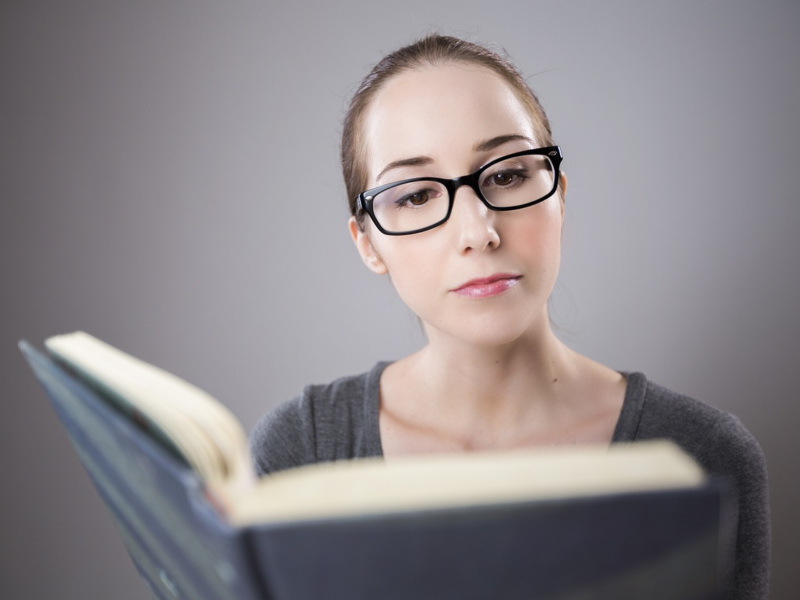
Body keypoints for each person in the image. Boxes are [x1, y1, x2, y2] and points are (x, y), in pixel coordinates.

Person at [249, 34, 770, 599]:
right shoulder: (303, 451)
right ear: (368, 243)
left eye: (506, 175)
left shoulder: (703, 455)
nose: (478, 232)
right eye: (417, 196)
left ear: (559, 195)